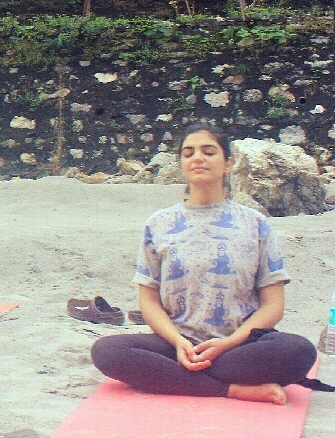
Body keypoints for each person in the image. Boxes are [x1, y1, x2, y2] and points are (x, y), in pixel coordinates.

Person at [91, 122, 317, 405]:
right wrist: (178, 342)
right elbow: (148, 300)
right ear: (182, 165)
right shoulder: (159, 223)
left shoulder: (255, 223)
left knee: (299, 350)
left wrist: (227, 344)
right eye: (189, 153)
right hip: (176, 344)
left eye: (208, 152)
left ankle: (180, 379)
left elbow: (273, 306)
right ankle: (232, 389)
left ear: (228, 164)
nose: (197, 158)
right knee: (107, 351)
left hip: (240, 345)